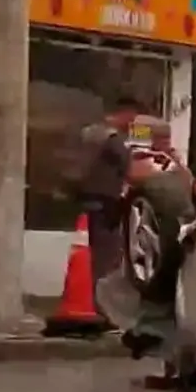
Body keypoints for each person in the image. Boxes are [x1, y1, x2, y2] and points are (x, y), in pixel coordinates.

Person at [75, 96, 141, 297]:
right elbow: (129, 167)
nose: (133, 122)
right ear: (125, 113)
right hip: (106, 201)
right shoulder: (113, 138)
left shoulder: (90, 132)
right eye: (132, 117)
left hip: (87, 196)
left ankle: (90, 293)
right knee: (106, 253)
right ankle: (100, 298)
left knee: (93, 251)